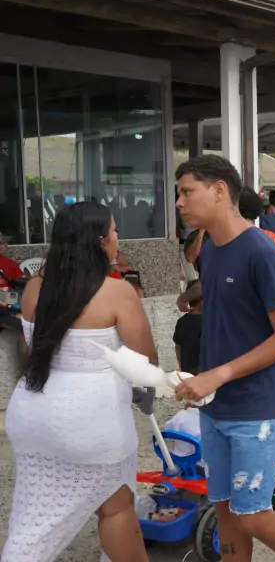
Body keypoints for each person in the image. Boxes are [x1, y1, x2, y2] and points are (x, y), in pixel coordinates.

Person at [173, 155, 275, 562]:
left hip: (256, 404)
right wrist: (201, 377)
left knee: (251, 513)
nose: (180, 203)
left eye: (187, 192)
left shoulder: (260, 251)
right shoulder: (211, 251)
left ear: (219, 190)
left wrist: (218, 374)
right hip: (215, 403)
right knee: (222, 505)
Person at [3, 202, 157, 562]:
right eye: (115, 231)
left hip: (30, 411)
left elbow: (27, 345)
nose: (118, 238)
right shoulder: (117, 292)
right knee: (116, 505)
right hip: (90, 421)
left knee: (35, 518)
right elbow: (146, 361)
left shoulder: (34, 287)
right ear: (100, 241)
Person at [173, 279, 203, 375]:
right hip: (204, 375)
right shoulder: (208, 322)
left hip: (188, 374)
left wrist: (182, 368)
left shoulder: (181, 321)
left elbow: (178, 347)